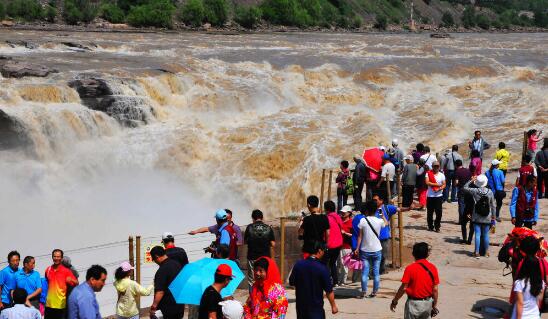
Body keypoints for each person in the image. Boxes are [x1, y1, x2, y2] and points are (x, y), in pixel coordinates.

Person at [289, 241, 338, 319]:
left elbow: (292, 282)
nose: (324, 252)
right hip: (316, 310)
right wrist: (333, 306)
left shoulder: (298, 264)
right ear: (319, 251)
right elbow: (329, 291)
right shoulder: (322, 268)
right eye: (324, 250)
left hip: (301, 309)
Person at [390, 242, 439, 319]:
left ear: (413, 254)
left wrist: (395, 301)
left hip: (413, 304)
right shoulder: (433, 268)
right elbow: (435, 290)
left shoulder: (410, 268)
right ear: (427, 254)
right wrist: (434, 305)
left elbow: (403, 288)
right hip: (427, 303)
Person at [354, 200, 387, 299]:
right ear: (376, 210)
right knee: (376, 272)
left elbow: (360, 236)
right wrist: (382, 216)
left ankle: (363, 291)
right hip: (377, 249)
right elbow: (386, 223)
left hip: (365, 250)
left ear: (367, 210)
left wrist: (357, 248)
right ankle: (374, 292)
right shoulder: (379, 220)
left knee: (365, 272)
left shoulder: (363, 221)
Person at [463, 175, 496, 258]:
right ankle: (486, 252)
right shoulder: (490, 192)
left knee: (477, 234)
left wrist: (471, 180)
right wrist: (494, 217)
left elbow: (465, 187)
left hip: (476, 215)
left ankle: (476, 252)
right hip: (487, 216)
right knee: (485, 234)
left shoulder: (475, 190)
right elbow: (493, 205)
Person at [244, 209, 275, 291]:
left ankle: (253, 298)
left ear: (253, 218)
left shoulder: (249, 227)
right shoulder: (268, 228)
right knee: (265, 277)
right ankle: (265, 296)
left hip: (252, 257)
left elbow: (245, 241)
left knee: (252, 279)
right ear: (262, 217)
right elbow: (273, 244)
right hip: (265, 258)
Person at [149, 246, 184, 319]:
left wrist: (154, 306)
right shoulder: (177, 264)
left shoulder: (162, 270)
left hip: (166, 308)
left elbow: (160, 292)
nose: (155, 262)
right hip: (179, 306)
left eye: (154, 259)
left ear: (157, 256)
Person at [44, 249, 78, 319]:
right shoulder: (48, 269)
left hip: (60, 305)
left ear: (61, 258)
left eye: (58, 257)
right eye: (55, 256)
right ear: (52, 257)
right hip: (49, 304)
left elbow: (77, 283)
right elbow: (48, 282)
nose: (56, 258)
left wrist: (71, 279)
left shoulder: (66, 271)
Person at [510, 254, 545, 319]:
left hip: (523, 316)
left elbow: (520, 303)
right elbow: (539, 300)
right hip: (535, 316)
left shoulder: (520, 283)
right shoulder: (541, 283)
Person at [372, 193, 399, 274]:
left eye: (375, 200)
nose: (374, 202)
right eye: (373, 200)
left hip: (384, 236)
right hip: (374, 237)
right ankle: (375, 271)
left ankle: (381, 270)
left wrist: (409, 208)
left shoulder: (386, 208)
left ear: (381, 201)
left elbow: (399, 209)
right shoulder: (371, 209)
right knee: (374, 255)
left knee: (383, 255)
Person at [324, 201, 343, 286]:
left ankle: (328, 281)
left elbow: (326, 232)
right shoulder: (337, 217)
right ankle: (335, 281)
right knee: (332, 263)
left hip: (330, 244)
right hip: (339, 244)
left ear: (326, 209)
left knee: (326, 263)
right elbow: (341, 226)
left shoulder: (326, 218)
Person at [455, 159, 473, 244]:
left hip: (462, 189)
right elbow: (472, 179)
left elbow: (456, 182)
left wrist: (456, 185)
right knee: (468, 204)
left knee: (461, 205)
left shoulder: (457, 172)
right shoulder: (468, 171)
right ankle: (469, 239)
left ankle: (462, 219)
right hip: (470, 191)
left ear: (456, 165)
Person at [425, 161, 446, 232]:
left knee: (439, 213)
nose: (436, 167)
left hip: (438, 196)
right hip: (430, 196)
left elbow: (444, 184)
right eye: (435, 166)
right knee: (430, 212)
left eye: (437, 166)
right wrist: (438, 185)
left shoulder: (441, 175)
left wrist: (439, 188)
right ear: (432, 166)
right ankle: (430, 226)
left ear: (439, 167)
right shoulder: (428, 173)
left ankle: (437, 226)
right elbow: (427, 182)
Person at [337, 206, 354, 285]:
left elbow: (354, 235)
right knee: (337, 265)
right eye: (342, 212)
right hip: (338, 246)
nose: (342, 213)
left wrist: (345, 233)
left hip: (347, 247)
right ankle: (337, 280)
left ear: (349, 213)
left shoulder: (351, 222)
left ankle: (343, 281)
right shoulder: (339, 220)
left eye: (345, 212)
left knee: (345, 265)